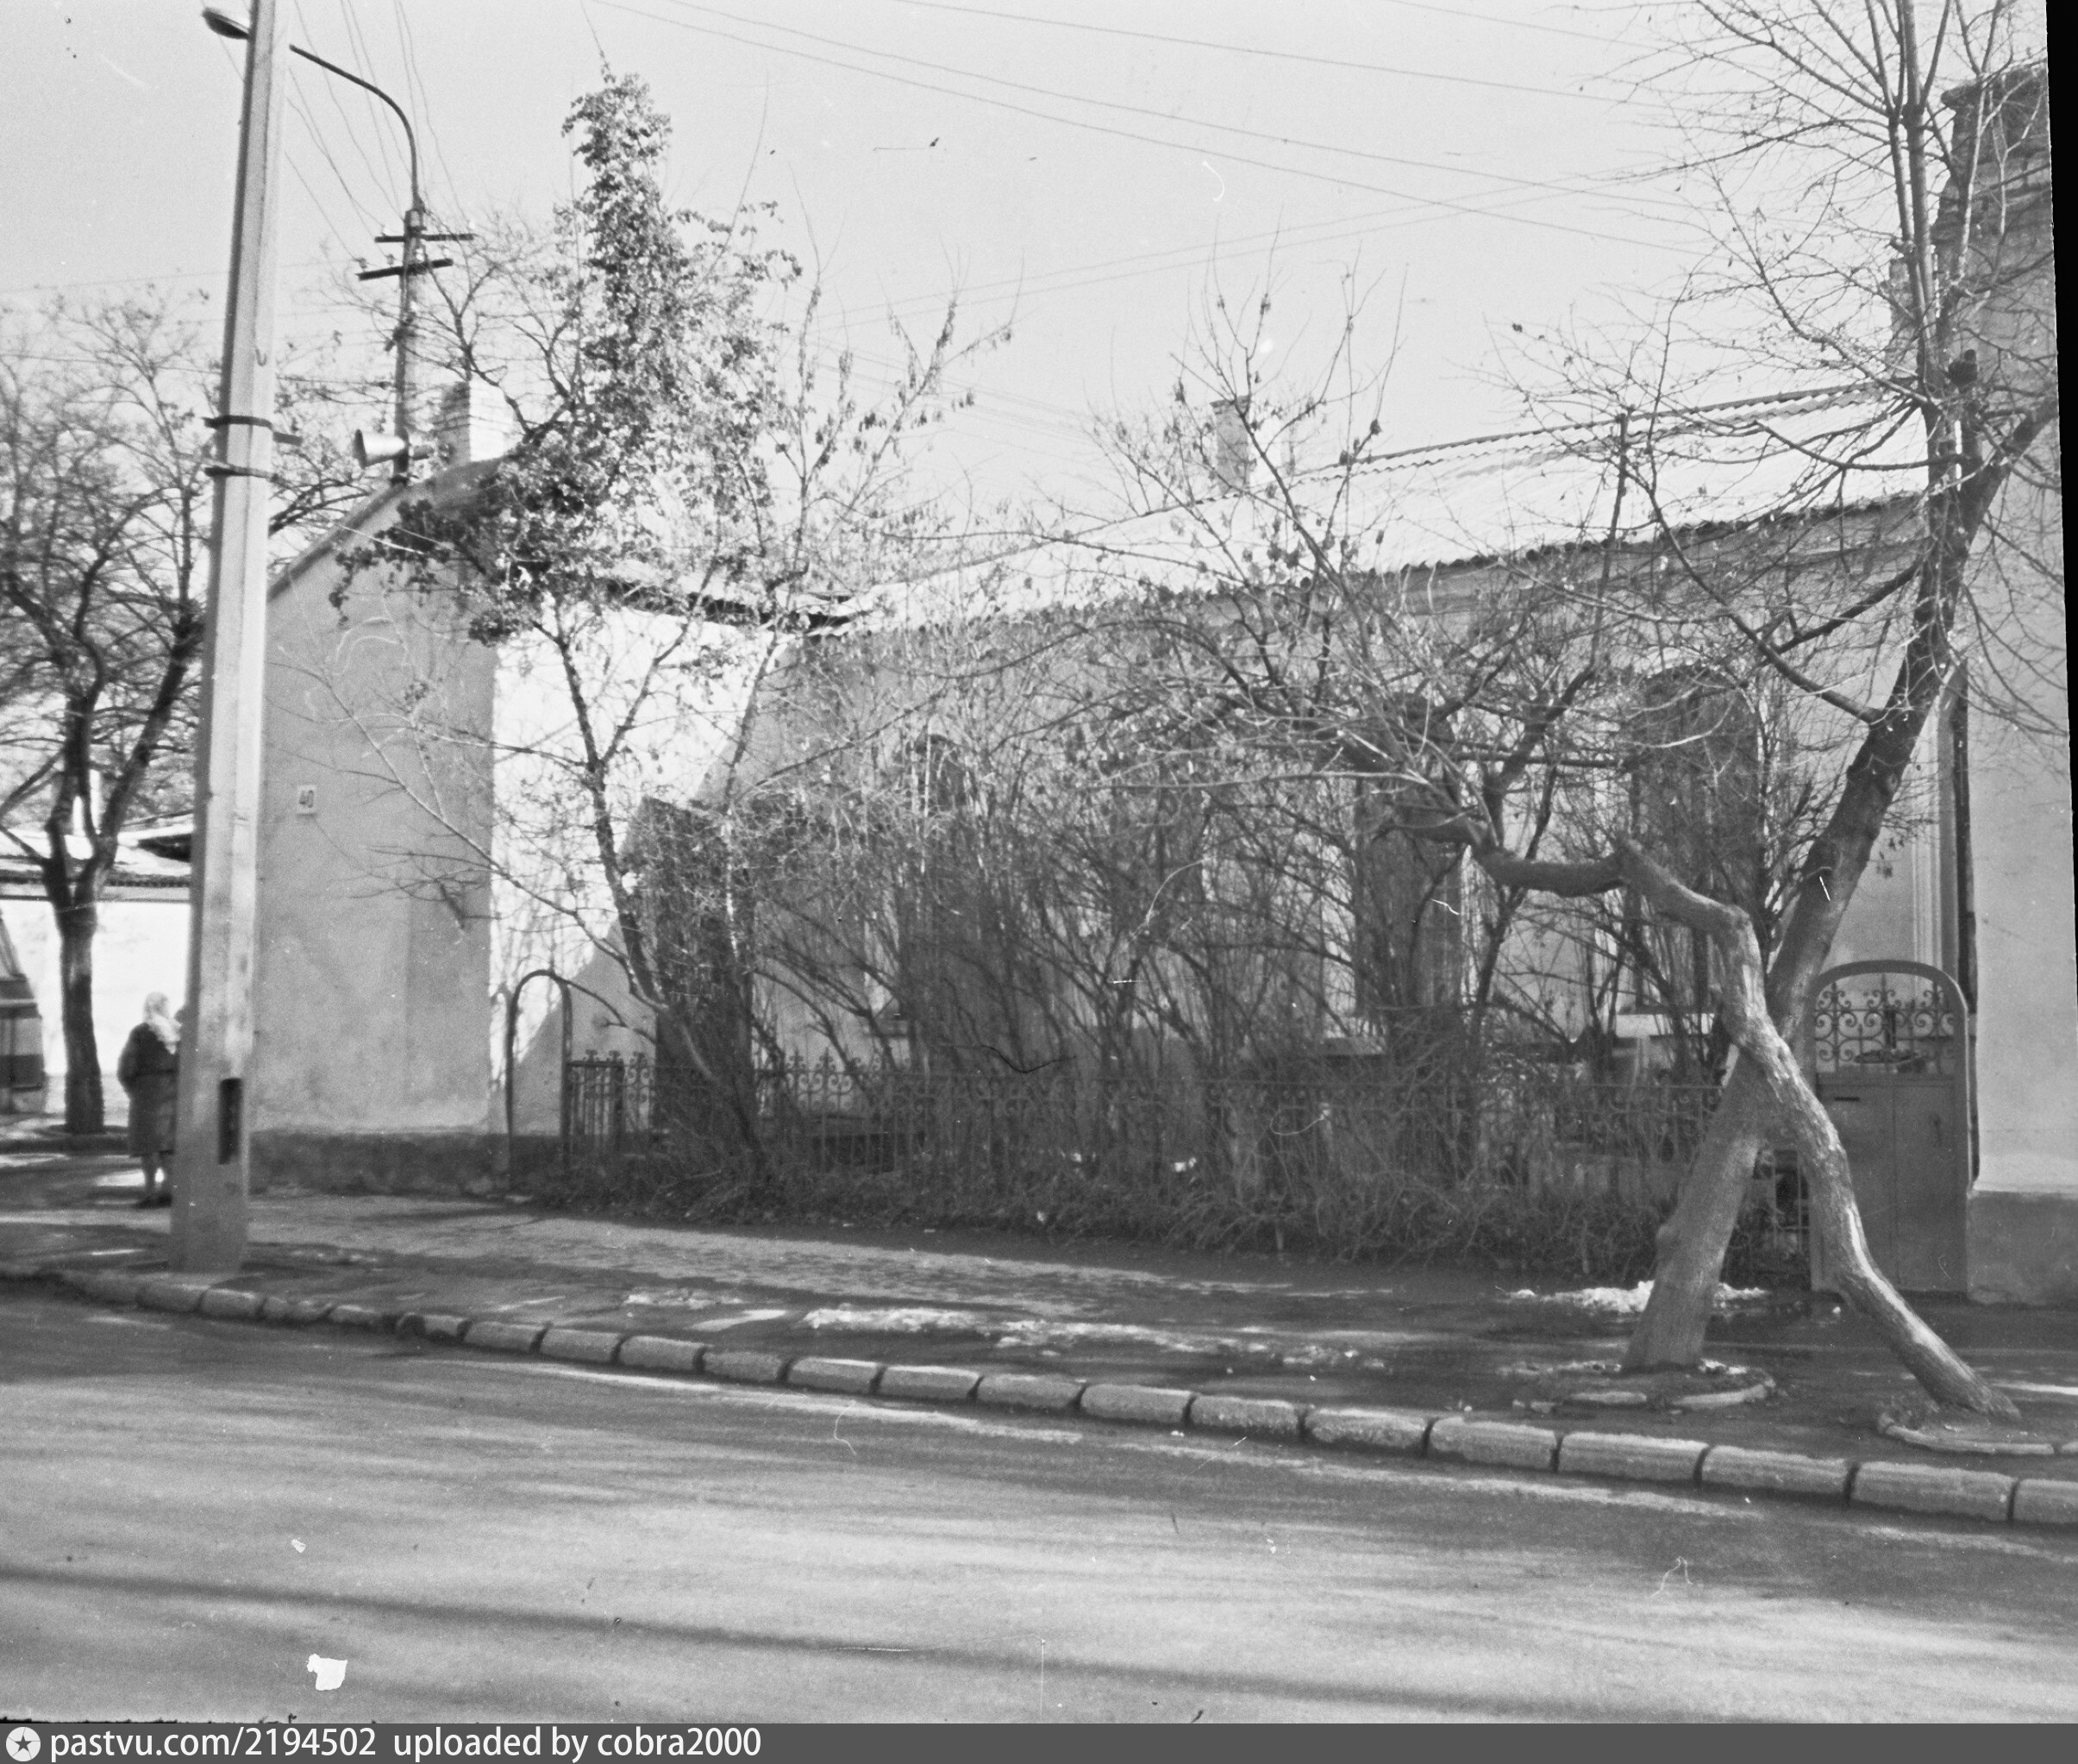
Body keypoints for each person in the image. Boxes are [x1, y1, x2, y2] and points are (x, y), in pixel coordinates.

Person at [116, 993, 179, 1207]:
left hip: (147, 1093)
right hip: (174, 1092)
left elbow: (127, 1067)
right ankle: (169, 1190)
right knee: (168, 1146)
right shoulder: (179, 1032)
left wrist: (133, 1089)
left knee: (149, 1147)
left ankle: (150, 1192)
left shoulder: (141, 1033)